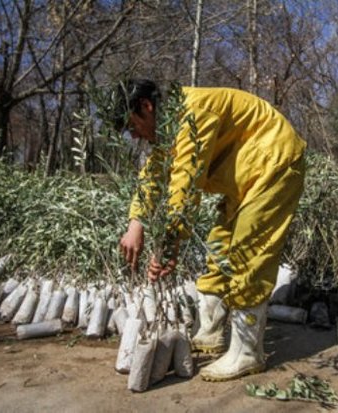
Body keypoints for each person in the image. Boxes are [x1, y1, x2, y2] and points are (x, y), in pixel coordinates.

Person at [118, 79, 306, 381]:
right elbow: (154, 173)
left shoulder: (194, 113)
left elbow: (186, 182)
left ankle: (247, 353)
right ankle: (211, 330)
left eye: (132, 125)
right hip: (247, 176)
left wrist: (169, 247)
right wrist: (136, 222)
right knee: (219, 246)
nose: (133, 134)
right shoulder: (169, 125)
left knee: (249, 252)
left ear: (146, 107)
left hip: (275, 163)